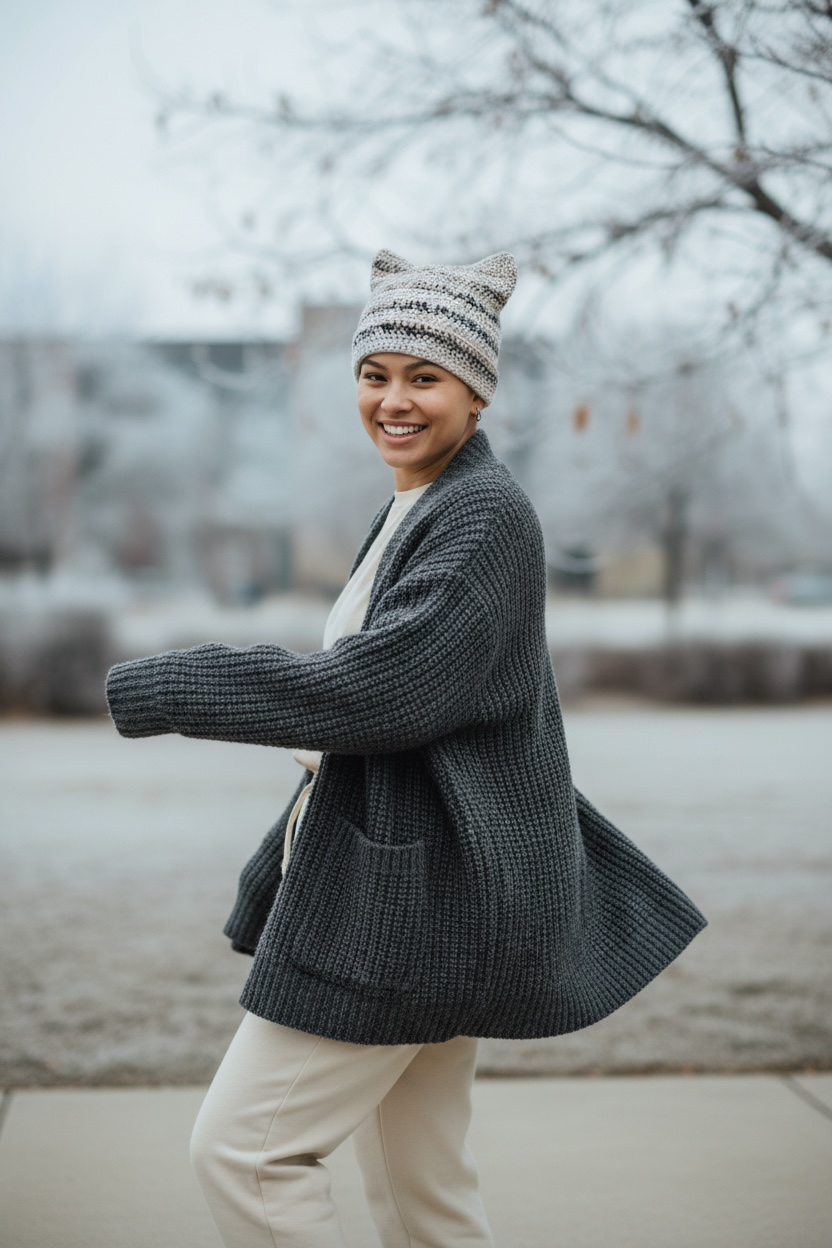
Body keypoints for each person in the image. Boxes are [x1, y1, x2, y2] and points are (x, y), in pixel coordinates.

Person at [106, 249, 706, 1248]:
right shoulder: (420, 506)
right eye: (374, 373)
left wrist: (175, 683)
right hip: (428, 892)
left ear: (475, 393)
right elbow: (389, 719)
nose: (392, 399)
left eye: (423, 376)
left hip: (410, 913)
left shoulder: (480, 518)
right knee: (424, 1194)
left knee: (245, 1155)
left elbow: (376, 692)